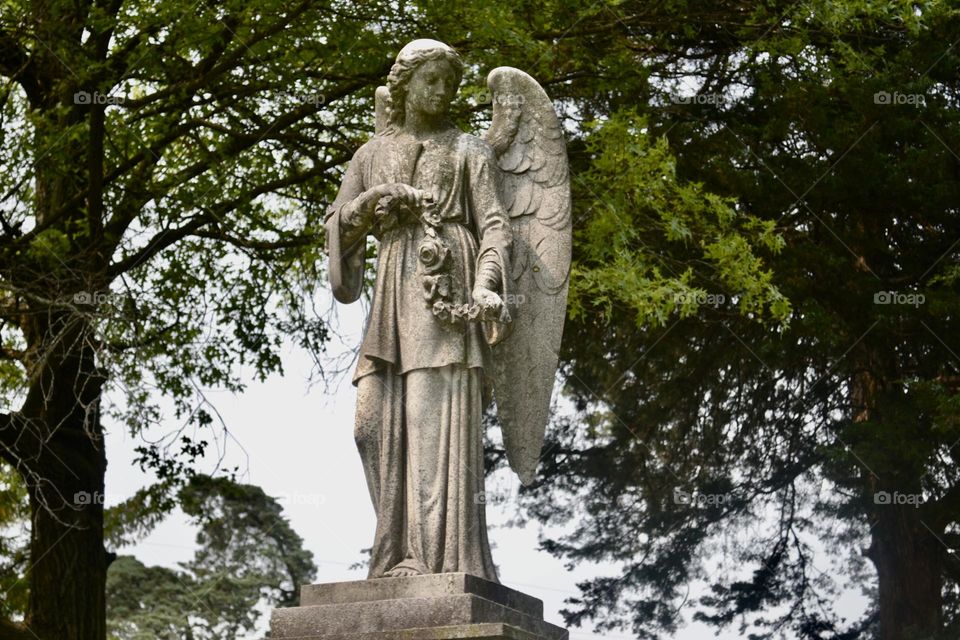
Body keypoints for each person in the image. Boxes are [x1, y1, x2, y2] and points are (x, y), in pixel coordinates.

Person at [325, 39, 512, 582]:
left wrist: (486, 283)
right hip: (391, 297)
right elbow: (338, 227)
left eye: (450, 84)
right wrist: (373, 200)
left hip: (445, 293)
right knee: (370, 424)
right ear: (405, 84)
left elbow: (496, 224)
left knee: (431, 436)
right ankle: (394, 550)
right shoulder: (370, 154)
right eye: (432, 80)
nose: (442, 92)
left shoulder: (468, 151)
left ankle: (431, 563)